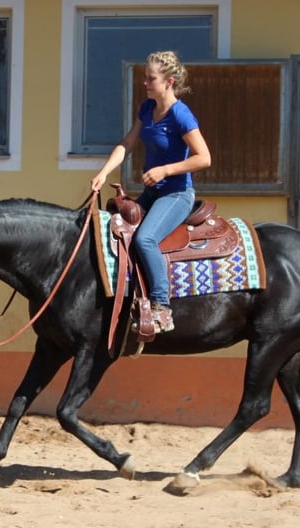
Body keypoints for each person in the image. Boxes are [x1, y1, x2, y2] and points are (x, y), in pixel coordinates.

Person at [91, 50, 211, 333]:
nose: (145, 83)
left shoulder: (180, 114)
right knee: (114, 228)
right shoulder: (147, 108)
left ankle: (162, 308)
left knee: (145, 239)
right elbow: (127, 143)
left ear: (169, 82)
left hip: (176, 194)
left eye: (151, 79)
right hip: (152, 194)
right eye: (145, 78)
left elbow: (204, 157)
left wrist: (165, 170)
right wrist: (104, 172)